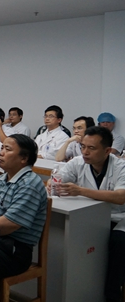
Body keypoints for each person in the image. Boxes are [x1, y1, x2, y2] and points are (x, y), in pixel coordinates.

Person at [52, 126, 125, 302]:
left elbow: (120, 197)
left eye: (91, 148)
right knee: (76, 241)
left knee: (118, 242)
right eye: (83, 146)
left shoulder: (120, 166)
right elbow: (59, 180)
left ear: (107, 151)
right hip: (89, 217)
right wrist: (54, 185)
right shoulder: (77, 162)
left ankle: (112, 294)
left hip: (118, 217)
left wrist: (80, 191)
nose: (85, 152)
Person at [0, 134, 48, 281]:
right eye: (2, 148)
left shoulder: (30, 184)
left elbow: (11, 223)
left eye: (7, 149)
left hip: (14, 251)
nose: (1, 153)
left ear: (24, 158)